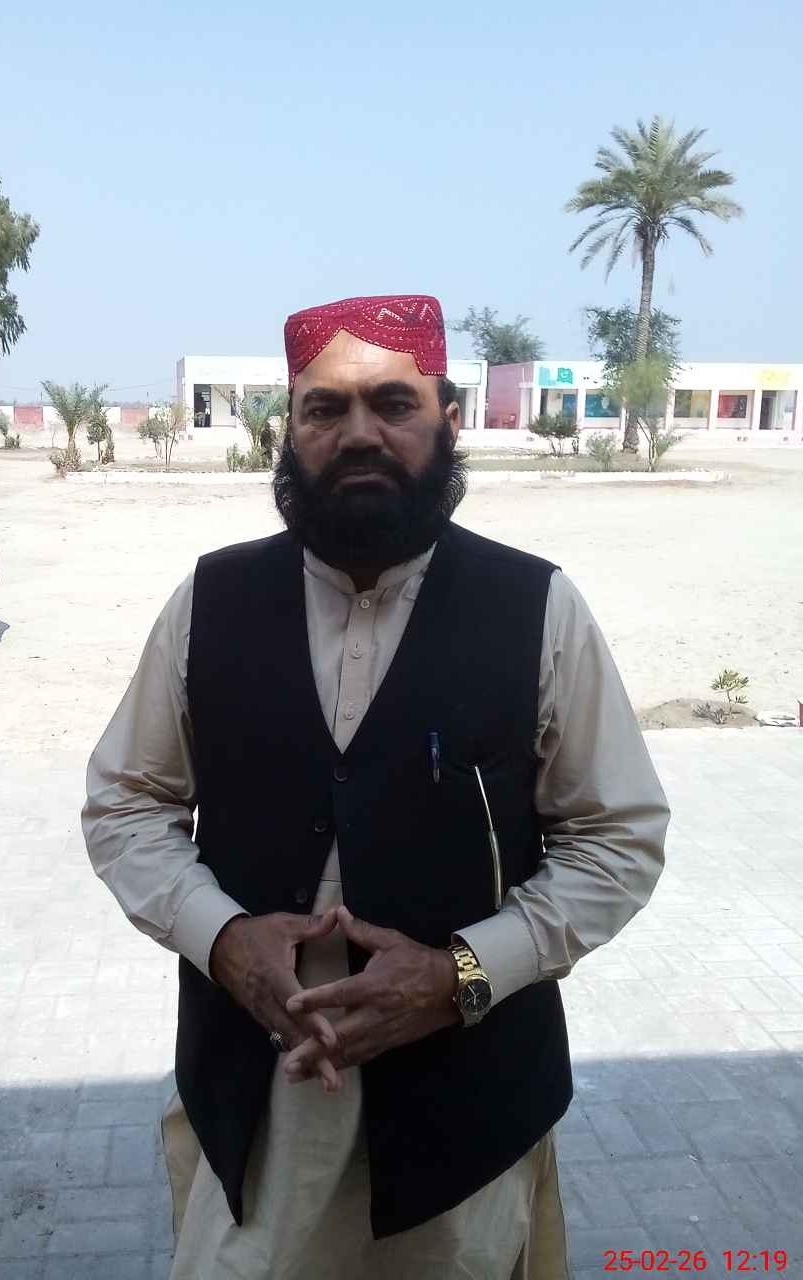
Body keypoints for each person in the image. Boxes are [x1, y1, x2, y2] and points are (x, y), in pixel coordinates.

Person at [83, 293, 669, 1279]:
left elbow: (618, 838)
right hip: (258, 1107)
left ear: (449, 421)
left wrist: (460, 975)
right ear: (289, 431)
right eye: (325, 408)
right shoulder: (209, 600)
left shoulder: (538, 606)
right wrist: (222, 940)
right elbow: (126, 801)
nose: (359, 433)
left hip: (468, 1119)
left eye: (394, 403)